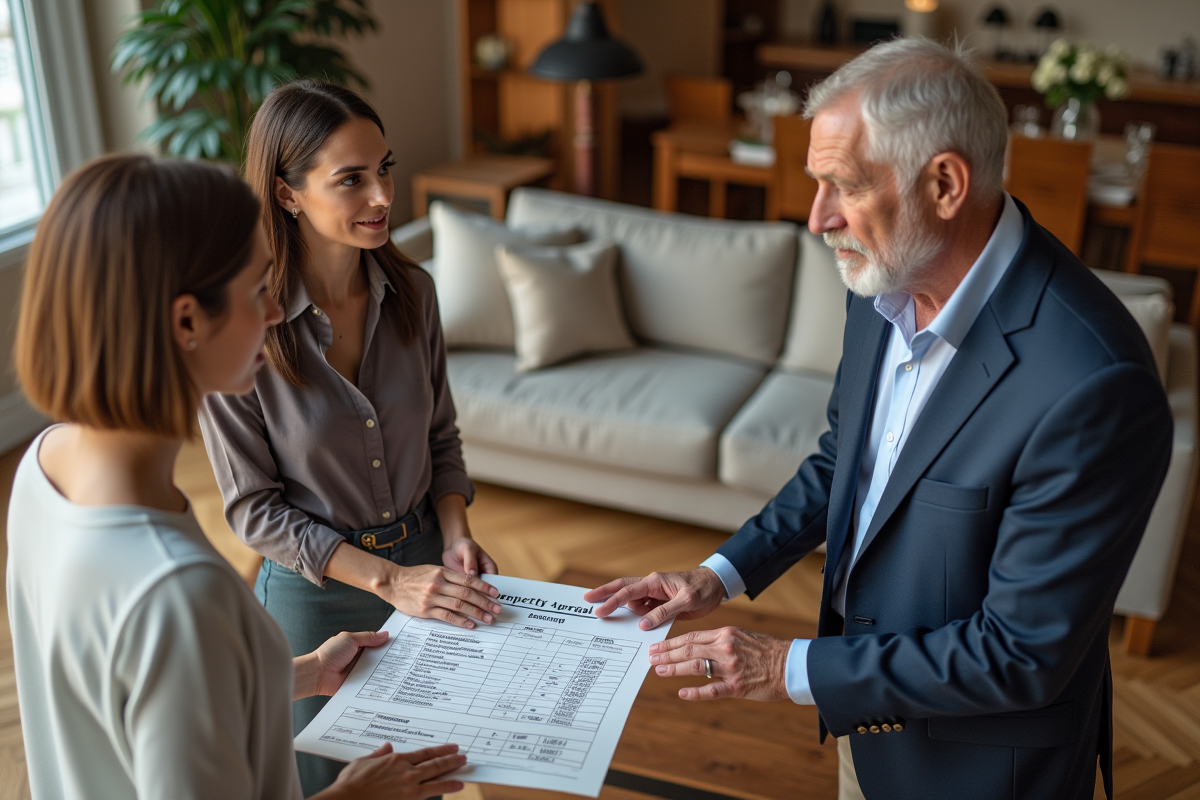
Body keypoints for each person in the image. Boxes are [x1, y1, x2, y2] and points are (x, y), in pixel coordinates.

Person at [585, 38, 1173, 800]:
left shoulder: (1096, 386)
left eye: (843, 186)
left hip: (981, 768)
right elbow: (846, 463)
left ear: (945, 183)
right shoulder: (881, 288)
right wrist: (716, 574)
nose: (816, 218)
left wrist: (784, 666)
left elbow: (1022, 652)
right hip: (866, 720)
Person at [7, 154, 468, 799]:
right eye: (259, 292)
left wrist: (304, 672)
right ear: (188, 321)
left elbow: (153, 686)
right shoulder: (177, 591)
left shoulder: (44, 467)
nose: (278, 313)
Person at [198, 80, 501, 794]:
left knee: (428, 776)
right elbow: (253, 510)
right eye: (352, 180)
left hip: (432, 569)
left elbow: (440, 437)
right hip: (315, 595)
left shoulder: (415, 293)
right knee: (329, 789)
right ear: (287, 193)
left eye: (385, 169)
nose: (383, 197)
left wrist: (454, 534)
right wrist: (387, 579)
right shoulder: (241, 327)